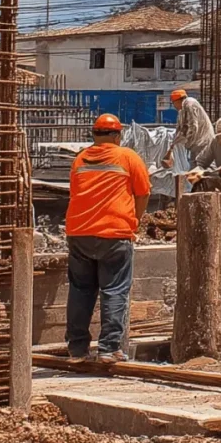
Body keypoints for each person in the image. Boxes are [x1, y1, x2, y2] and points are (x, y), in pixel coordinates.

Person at [65, 112, 151, 362]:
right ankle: (109, 348)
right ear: (117, 135)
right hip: (114, 234)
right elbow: (143, 193)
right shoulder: (127, 157)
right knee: (114, 290)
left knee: (80, 290)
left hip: (79, 233)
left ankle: (77, 349)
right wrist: (133, 220)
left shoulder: (80, 159)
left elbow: (75, 192)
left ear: (94, 134)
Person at [161, 88, 214, 170]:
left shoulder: (190, 103)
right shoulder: (182, 111)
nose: (174, 106)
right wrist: (172, 146)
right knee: (194, 167)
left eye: (173, 103)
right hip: (196, 145)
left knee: (200, 168)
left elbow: (193, 126)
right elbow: (180, 130)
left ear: (177, 100)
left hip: (203, 142)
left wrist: (187, 143)